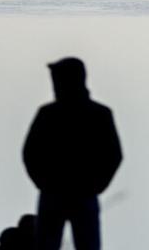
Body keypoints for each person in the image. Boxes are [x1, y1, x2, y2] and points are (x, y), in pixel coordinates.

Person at [22, 57, 123, 250]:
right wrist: (95, 185)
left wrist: (45, 184)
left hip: (64, 195)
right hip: (75, 194)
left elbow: (29, 153)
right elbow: (114, 155)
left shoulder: (49, 114)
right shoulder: (98, 114)